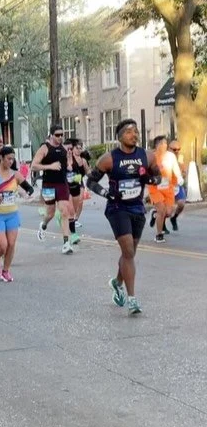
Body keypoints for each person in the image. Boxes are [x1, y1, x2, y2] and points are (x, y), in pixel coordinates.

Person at [87, 118, 160, 315]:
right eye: (129, 132)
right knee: (127, 250)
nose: (134, 135)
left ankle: (117, 282)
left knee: (130, 254)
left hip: (137, 208)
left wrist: (150, 179)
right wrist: (106, 193)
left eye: (136, 131)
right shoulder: (108, 159)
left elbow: (157, 176)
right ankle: (133, 300)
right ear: (119, 137)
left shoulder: (147, 156)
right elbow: (90, 182)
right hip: (117, 208)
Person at [0, 145, 35, 282]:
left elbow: (29, 188)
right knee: (2, 245)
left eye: (12, 159)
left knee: (11, 244)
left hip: (12, 214)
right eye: (8, 159)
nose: (11, 161)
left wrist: (25, 194)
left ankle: (6, 271)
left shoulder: (15, 174)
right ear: (1, 158)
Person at [32, 124, 78, 254]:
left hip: (62, 184)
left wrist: (69, 165)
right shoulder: (44, 148)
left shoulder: (64, 148)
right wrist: (50, 166)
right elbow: (34, 166)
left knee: (64, 212)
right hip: (49, 185)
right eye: (57, 135)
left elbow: (68, 164)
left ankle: (66, 243)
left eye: (62, 135)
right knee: (50, 213)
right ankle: (44, 225)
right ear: (51, 135)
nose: (60, 137)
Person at [147, 136, 181, 242]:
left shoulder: (170, 156)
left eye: (166, 143)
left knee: (168, 213)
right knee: (161, 210)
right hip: (155, 188)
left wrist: (179, 178)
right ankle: (159, 235)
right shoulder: (151, 157)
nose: (165, 145)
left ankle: (154, 215)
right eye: (162, 143)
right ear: (157, 145)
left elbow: (175, 168)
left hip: (168, 188)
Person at [65, 138, 90, 228]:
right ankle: (68, 217)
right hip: (69, 183)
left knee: (80, 201)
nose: (79, 150)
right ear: (73, 148)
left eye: (80, 148)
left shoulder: (83, 160)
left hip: (79, 182)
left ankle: (75, 219)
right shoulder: (69, 157)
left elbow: (88, 172)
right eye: (77, 148)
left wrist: (94, 177)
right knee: (70, 203)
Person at [168, 139, 187, 230]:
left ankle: (174, 218)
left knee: (181, 204)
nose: (177, 152)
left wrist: (183, 173)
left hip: (177, 185)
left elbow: (184, 173)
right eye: (174, 150)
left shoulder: (180, 158)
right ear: (169, 148)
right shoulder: (165, 157)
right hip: (166, 185)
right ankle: (161, 224)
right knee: (167, 210)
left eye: (178, 149)